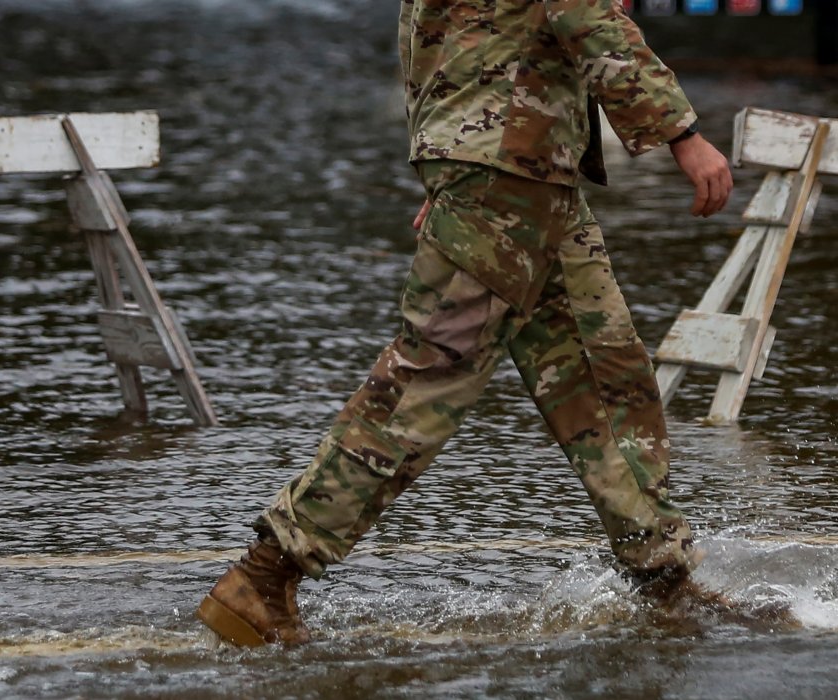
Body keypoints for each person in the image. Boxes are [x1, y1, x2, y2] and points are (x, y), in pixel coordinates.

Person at [197, 0, 734, 647]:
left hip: (523, 169)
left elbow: (430, 30)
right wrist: (681, 132)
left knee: (604, 372)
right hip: (506, 169)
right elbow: (583, 10)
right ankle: (266, 573)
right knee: (428, 382)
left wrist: (450, 159)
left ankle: (663, 579)